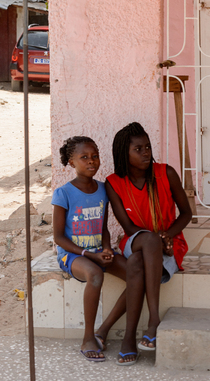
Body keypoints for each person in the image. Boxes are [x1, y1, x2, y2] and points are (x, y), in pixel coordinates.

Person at [106, 122, 192, 366]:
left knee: (137, 267)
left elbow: (186, 214)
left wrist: (168, 236)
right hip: (134, 241)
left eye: (148, 147)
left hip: (168, 245)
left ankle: (127, 340)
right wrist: (156, 239)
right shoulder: (113, 182)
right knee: (147, 242)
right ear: (124, 153)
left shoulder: (167, 173)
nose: (146, 153)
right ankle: (154, 320)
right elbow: (129, 229)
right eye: (138, 149)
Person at [52, 136, 140, 362]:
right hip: (73, 255)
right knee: (95, 273)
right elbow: (59, 237)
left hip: (98, 250)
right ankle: (88, 337)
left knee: (136, 275)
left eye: (95, 156)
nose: (91, 161)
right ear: (71, 162)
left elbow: (103, 227)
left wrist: (107, 248)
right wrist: (89, 254)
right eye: (84, 158)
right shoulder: (63, 193)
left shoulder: (103, 189)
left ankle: (104, 329)